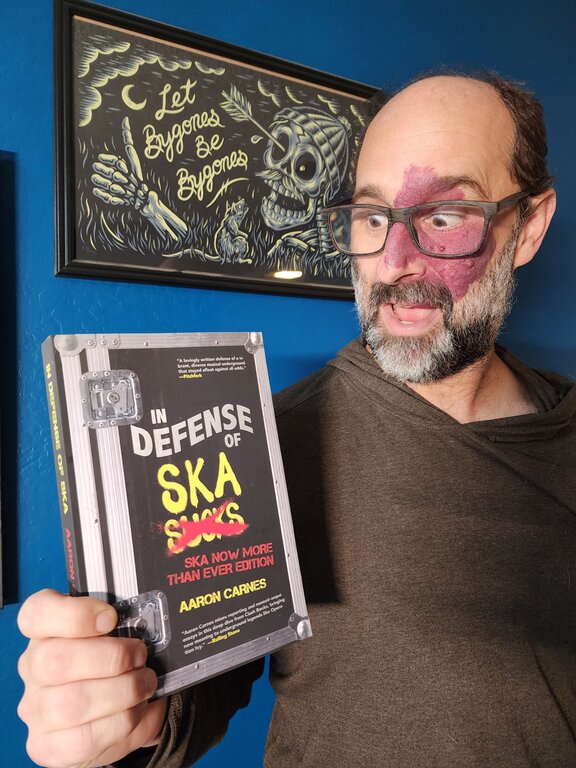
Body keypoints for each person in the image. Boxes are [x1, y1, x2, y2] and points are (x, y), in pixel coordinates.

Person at [17, 71, 576, 768]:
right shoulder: (260, 442)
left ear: (529, 226)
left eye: (443, 217)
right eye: (371, 217)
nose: (393, 264)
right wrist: (116, 708)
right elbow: (183, 693)